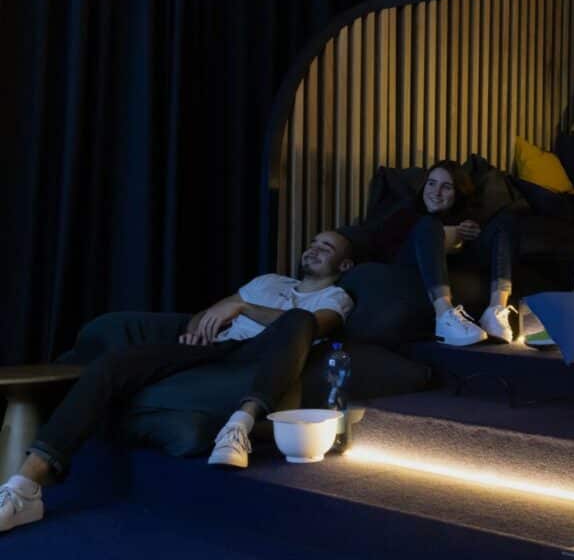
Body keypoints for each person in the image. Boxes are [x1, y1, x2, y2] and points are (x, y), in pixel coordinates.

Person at [0, 230, 357, 534]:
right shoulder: (268, 282)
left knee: (297, 318)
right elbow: (212, 313)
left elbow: (315, 325)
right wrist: (196, 331)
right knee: (113, 365)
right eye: (312, 242)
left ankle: (239, 426)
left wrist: (243, 309)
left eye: (326, 248)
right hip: (215, 348)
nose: (313, 249)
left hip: (261, 358)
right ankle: (25, 486)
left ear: (344, 266)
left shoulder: (335, 297)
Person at [386, 160, 517, 346]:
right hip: (409, 264)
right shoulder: (407, 212)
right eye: (431, 183)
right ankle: (444, 315)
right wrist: (452, 234)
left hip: (455, 265)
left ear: (458, 193)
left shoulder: (465, 217)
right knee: (429, 224)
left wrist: (470, 236)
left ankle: (496, 309)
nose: (436, 192)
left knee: (504, 223)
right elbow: (391, 246)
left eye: (446, 187)